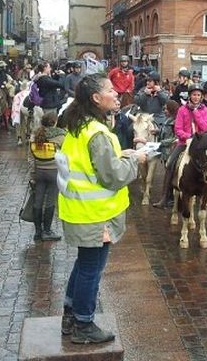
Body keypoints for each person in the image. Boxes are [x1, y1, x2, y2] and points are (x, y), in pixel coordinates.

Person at [56, 73, 145, 344]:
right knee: (91, 270)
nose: (117, 93)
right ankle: (84, 324)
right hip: (96, 215)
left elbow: (94, 165)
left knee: (84, 265)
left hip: (80, 210)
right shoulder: (97, 133)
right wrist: (136, 159)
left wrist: (121, 156)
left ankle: (71, 315)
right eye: (110, 90)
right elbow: (113, 177)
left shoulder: (79, 125)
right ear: (96, 98)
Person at [153, 83, 207, 209]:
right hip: (184, 143)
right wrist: (188, 137)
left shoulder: (204, 110)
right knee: (170, 163)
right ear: (190, 96)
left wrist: (195, 111)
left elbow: (205, 127)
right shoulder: (182, 110)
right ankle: (164, 197)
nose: (196, 97)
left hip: (200, 145)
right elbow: (178, 129)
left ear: (201, 97)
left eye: (198, 95)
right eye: (194, 95)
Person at [29, 113, 65, 241]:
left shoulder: (35, 135)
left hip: (39, 171)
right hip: (53, 172)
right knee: (50, 200)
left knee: (38, 200)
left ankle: (38, 232)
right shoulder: (61, 136)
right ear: (55, 122)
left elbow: (31, 157)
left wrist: (32, 174)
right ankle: (47, 231)